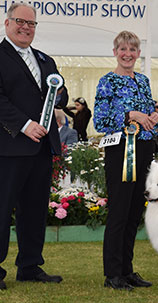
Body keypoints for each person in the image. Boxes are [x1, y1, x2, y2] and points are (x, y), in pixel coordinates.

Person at [0, 3, 68, 290]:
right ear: (7, 23)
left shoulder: (45, 60)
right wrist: (25, 124)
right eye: (20, 21)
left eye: (31, 23)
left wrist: (61, 94)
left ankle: (29, 266)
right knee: (2, 210)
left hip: (41, 148)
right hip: (10, 147)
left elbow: (59, 98)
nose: (26, 27)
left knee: (35, 210)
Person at [94, 30, 158, 291]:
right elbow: (100, 121)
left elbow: (149, 111)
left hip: (144, 148)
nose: (128, 54)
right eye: (123, 49)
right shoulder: (106, 81)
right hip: (120, 152)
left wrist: (154, 116)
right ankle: (112, 274)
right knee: (119, 213)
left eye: (132, 50)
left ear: (138, 54)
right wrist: (129, 113)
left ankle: (127, 270)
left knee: (134, 213)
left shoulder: (143, 81)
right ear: (115, 52)